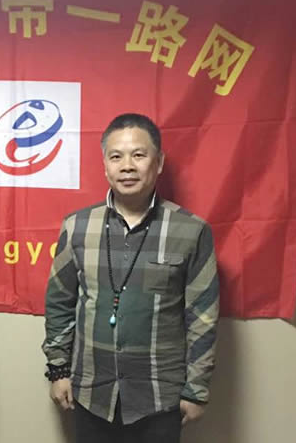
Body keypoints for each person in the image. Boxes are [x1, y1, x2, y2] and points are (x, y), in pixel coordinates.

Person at [42, 113, 219, 443]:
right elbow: (59, 303)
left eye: (138, 155)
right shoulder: (77, 226)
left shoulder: (191, 231)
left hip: (159, 398)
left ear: (159, 162)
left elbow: (203, 318)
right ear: (105, 166)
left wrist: (196, 390)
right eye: (116, 156)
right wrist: (58, 370)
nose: (127, 166)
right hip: (91, 392)